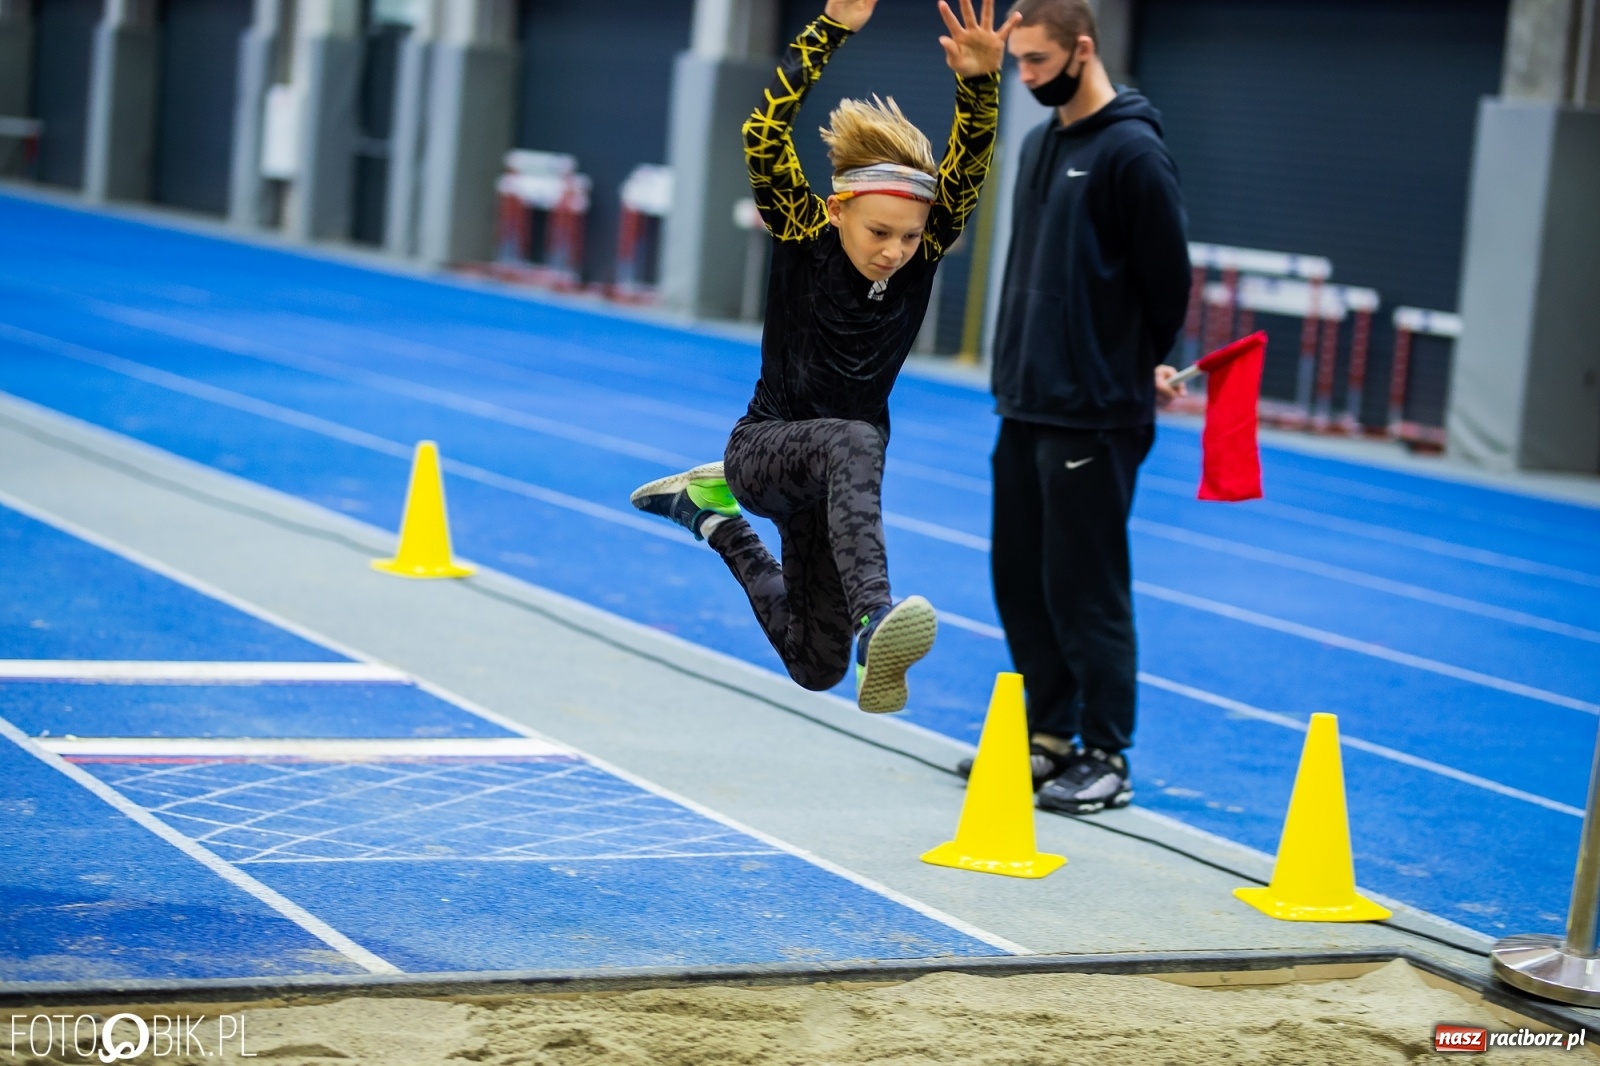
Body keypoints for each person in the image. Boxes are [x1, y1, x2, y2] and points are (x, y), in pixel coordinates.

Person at [631, 0, 1018, 713]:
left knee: (815, 664)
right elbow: (762, 130)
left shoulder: (919, 252)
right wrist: (831, 28)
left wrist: (980, 83)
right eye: (879, 232)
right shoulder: (803, 228)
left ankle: (708, 517)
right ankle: (878, 617)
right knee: (854, 439)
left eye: (909, 237)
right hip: (767, 449)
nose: (894, 251)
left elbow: (966, 172)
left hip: (834, 491)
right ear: (838, 211)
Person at [977, 0, 1191, 812]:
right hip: (1025, 401)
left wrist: (1143, 364)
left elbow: (1167, 283)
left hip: (1094, 411)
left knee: (1085, 586)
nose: (1025, 77)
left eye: (1035, 62)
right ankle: (1048, 736)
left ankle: (1107, 752)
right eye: (1018, 64)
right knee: (1021, 580)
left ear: (1082, 50)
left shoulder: (1133, 151)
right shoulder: (1038, 144)